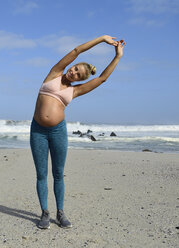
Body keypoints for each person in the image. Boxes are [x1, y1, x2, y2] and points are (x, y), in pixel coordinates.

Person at [30, 35, 125, 229]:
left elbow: (103, 78)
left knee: (58, 173)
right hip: (38, 131)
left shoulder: (75, 91)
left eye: (78, 74)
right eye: (74, 68)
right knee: (41, 174)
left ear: (79, 80)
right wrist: (102, 39)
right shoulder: (55, 73)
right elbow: (76, 51)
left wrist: (117, 56)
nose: (73, 73)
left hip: (58, 132)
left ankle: (61, 212)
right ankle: (45, 213)